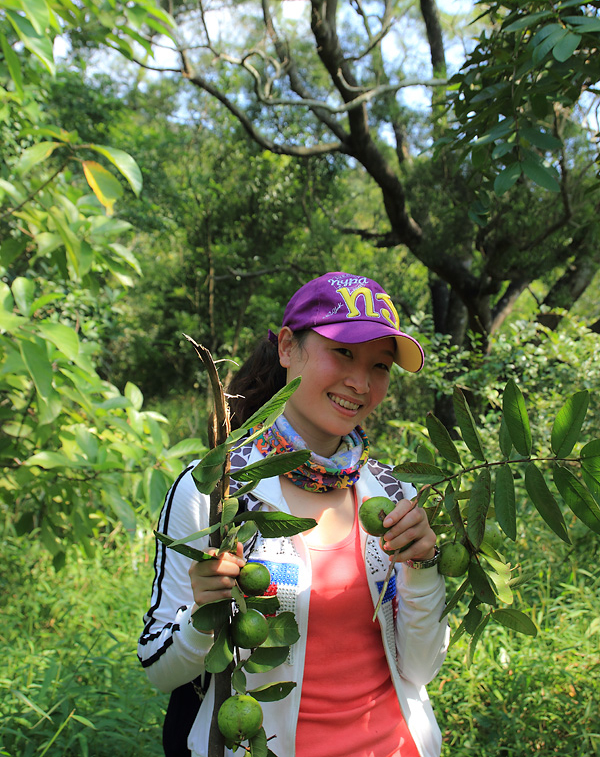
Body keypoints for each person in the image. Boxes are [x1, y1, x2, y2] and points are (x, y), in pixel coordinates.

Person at [138, 271, 448, 757]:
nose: (361, 383)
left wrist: (425, 570)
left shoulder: (393, 493)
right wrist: (204, 614)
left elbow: (422, 668)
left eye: (380, 366)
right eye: (343, 352)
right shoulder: (215, 491)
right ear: (287, 347)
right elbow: (158, 667)